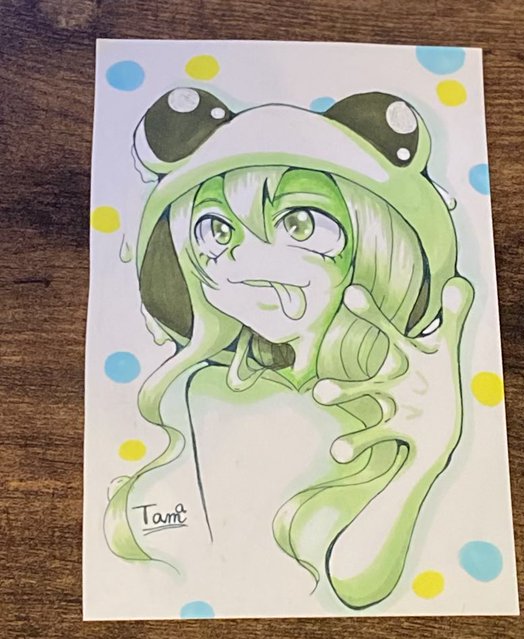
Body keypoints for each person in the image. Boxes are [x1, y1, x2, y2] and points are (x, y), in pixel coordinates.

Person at [104, 88, 473, 610]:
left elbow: (356, 584)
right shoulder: (202, 389)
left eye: (298, 223)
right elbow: (177, 546)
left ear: (373, 243)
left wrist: (433, 448)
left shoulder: (383, 406)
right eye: (216, 230)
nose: (241, 259)